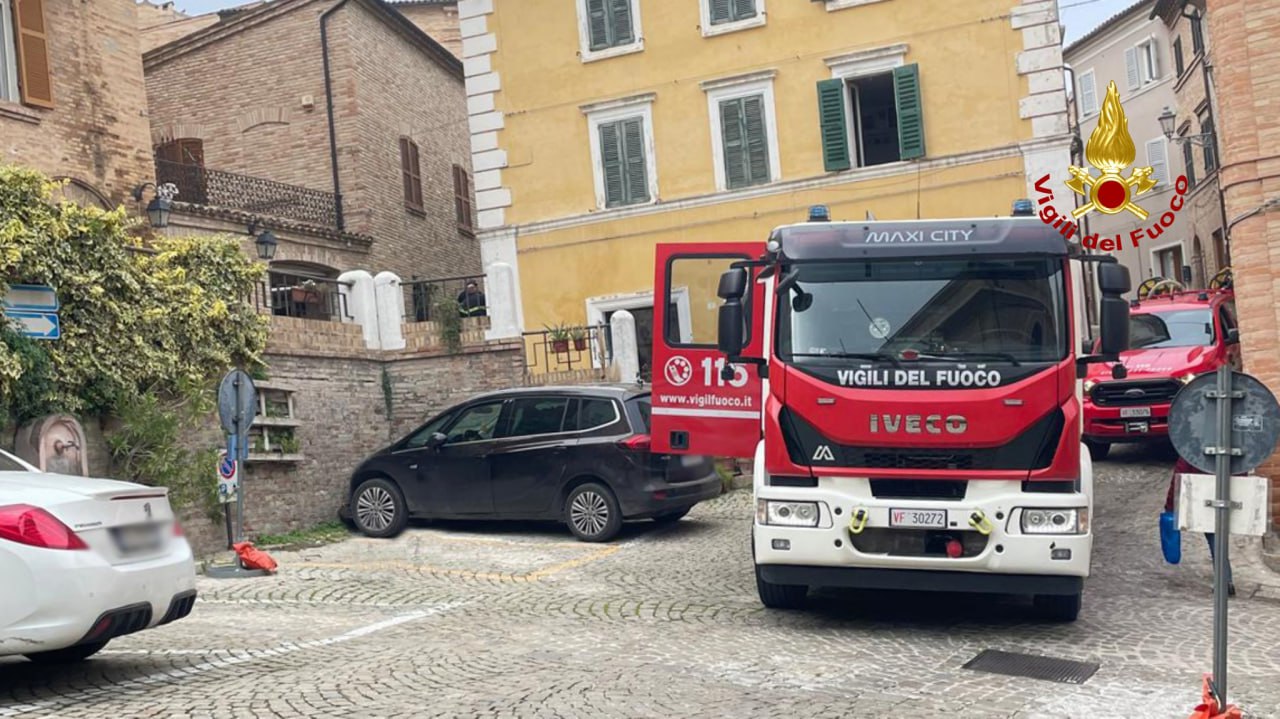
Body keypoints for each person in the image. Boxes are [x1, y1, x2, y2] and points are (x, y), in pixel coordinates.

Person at [1165, 456, 1235, 596]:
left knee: (1214, 537)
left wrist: (1171, 507)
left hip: (1203, 498)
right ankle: (1225, 579)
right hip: (1229, 495)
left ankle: (1224, 581)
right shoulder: (1233, 445)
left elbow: (1179, 477)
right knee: (1217, 536)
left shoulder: (1192, 448)